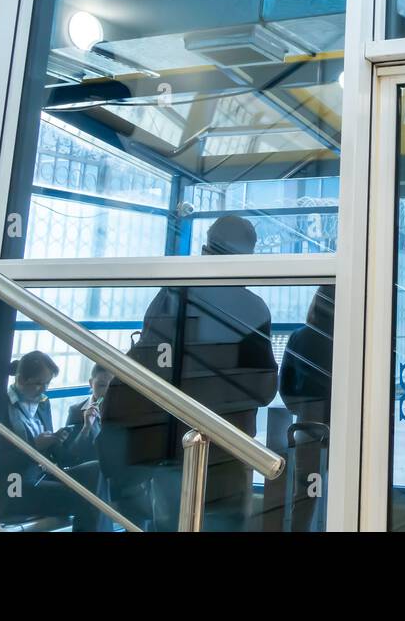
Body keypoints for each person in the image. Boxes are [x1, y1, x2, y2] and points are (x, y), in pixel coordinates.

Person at [99, 214, 278, 532]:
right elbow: (263, 389)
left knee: (173, 523)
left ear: (207, 248)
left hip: (172, 443)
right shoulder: (253, 309)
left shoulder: (174, 295)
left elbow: (147, 362)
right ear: (248, 256)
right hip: (229, 450)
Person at [0, 350, 103, 531]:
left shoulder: (42, 403)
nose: (44, 389)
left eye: (47, 383)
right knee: (87, 499)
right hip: (17, 485)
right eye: (38, 384)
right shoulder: (1, 407)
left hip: (43, 474)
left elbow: (61, 457)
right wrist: (34, 447)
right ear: (21, 380)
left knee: (97, 470)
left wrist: (57, 440)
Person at [278, 286, 334, 532]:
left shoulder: (300, 337)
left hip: (307, 424)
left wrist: (300, 408)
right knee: (341, 487)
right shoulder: (349, 339)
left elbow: (285, 385)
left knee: (305, 491)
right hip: (343, 423)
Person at [58, 363, 113, 467]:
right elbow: (69, 457)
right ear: (91, 383)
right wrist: (86, 428)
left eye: (112, 386)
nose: (107, 391)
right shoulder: (76, 411)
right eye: (101, 385)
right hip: (90, 473)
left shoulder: (123, 410)